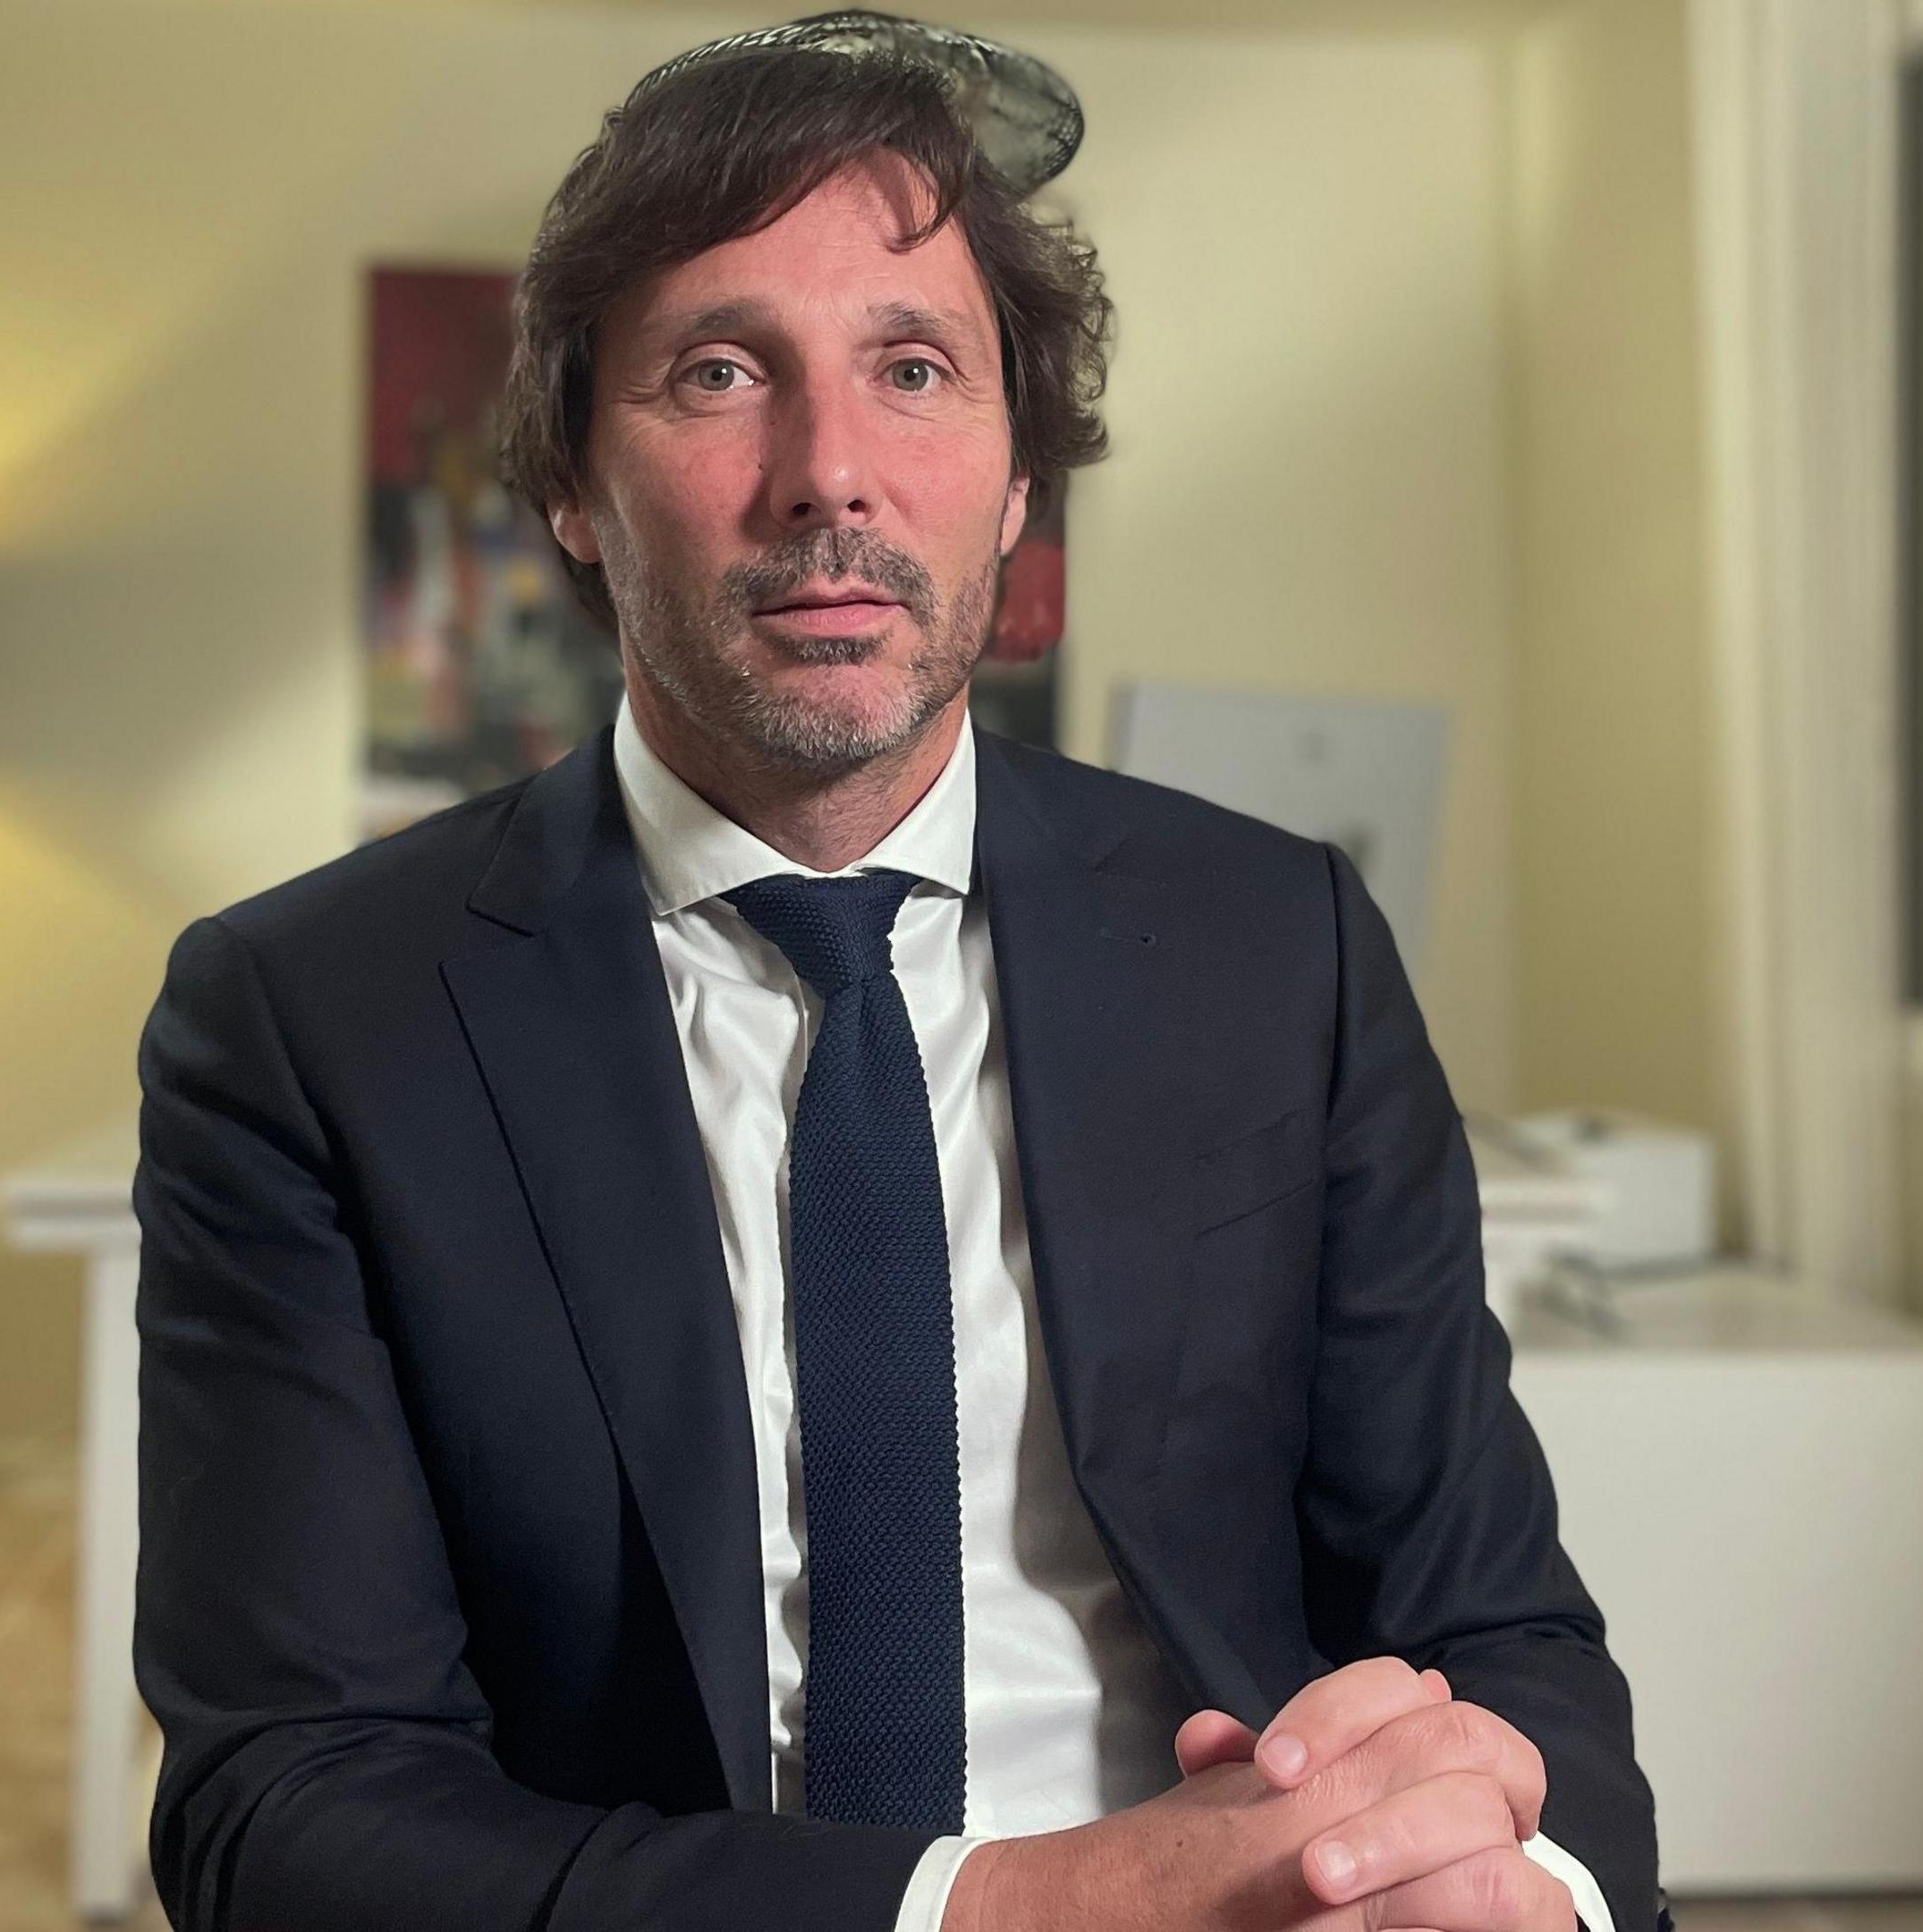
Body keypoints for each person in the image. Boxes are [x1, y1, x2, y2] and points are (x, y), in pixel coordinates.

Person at [131, 21, 1662, 1932]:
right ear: (571, 492)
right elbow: (285, 1811)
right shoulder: (306, 1021)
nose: (828, 474)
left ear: (1019, 485)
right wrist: (1014, 1907)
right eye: (717, 372)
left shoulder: (1280, 948)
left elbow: (1494, 1626)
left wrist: (1525, 1887)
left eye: (915, 370)